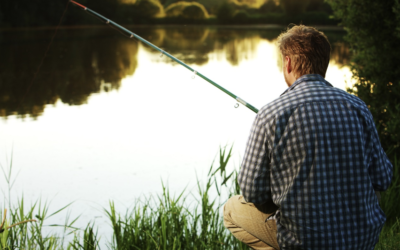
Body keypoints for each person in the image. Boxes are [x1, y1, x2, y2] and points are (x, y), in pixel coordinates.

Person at [223, 25, 393, 250]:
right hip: (362, 241)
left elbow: (252, 191)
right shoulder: (358, 106)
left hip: (304, 242)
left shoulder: (271, 113)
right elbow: (383, 178)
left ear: (288, 63)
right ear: (325, 63)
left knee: (231, 210)